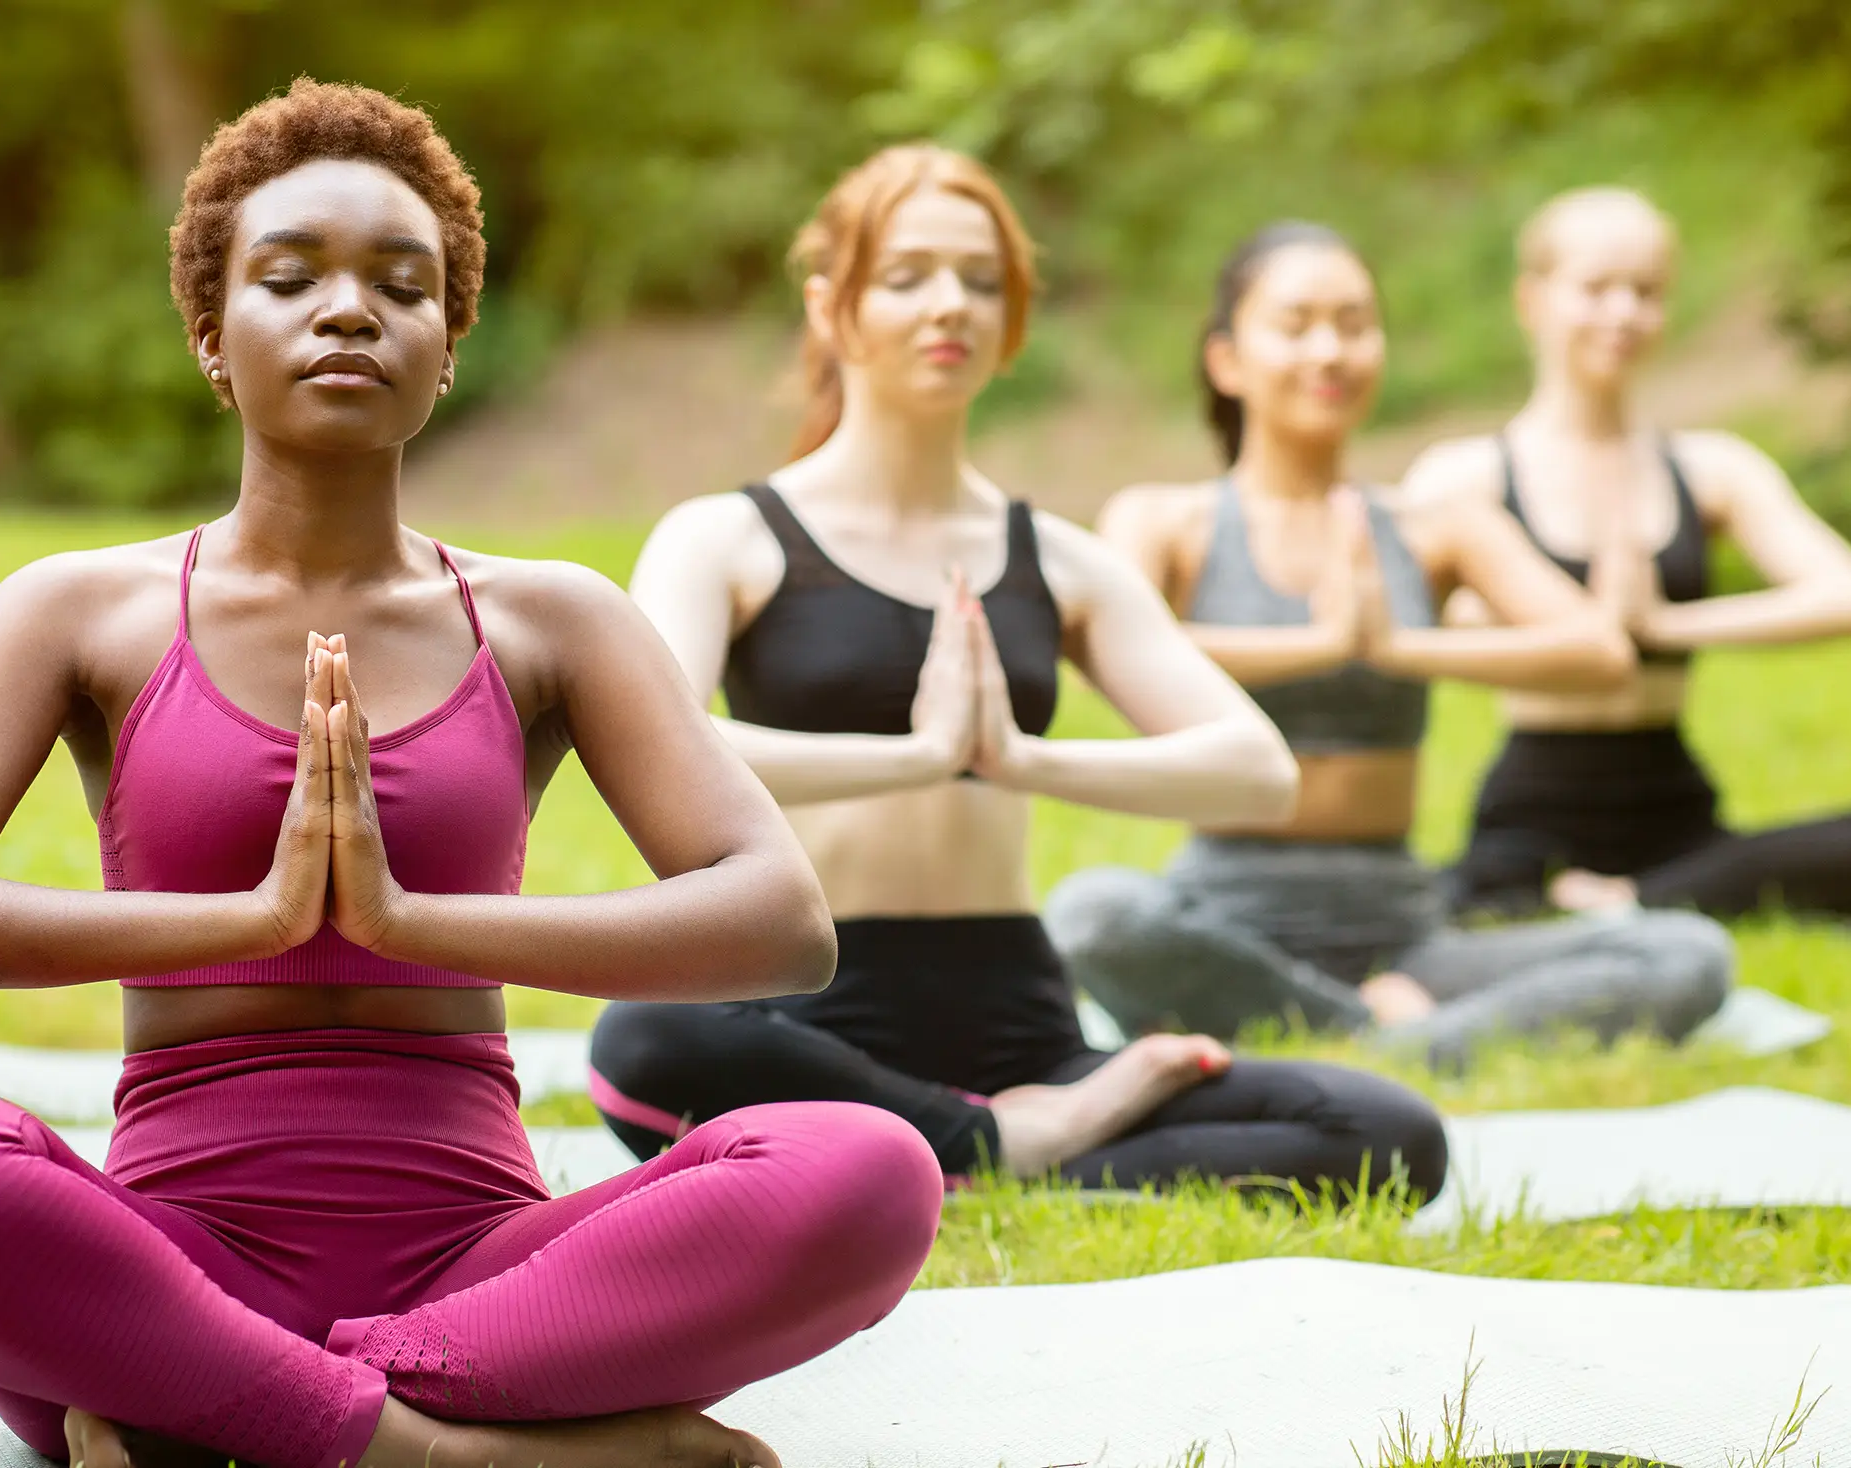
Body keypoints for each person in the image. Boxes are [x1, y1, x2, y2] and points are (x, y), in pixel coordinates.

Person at [0, 82, 944, 1468]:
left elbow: (777, 920)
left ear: (447, 346)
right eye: (291, 280)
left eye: (403, 286)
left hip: (480, 1280)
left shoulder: (549, 620)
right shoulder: (80, 610)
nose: (350, 311)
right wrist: (254, 921)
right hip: (170, 1263)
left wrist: (407, 925)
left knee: (871, 1172)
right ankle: (450, 1452)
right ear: (214, 336)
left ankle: (229, 1416)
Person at [590, 147, 1448, 1202]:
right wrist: (920, 757)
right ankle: (997, 1148)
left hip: (1014, 1019)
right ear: (832, 306)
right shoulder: (725, 537)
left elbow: (1252, 770)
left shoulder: (1058, 557)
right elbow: (652, 746)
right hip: (793, 1006)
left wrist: (1020, 758)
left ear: (1013, 320)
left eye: (981, 279)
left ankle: (967, 1152)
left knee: (1386, 1129)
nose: (950, 302)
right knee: (646, 1037)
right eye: (907, 276)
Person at [1043, 222, 1735, 1072]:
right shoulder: (1164, 521)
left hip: (1405, 928)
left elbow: (1599, 651)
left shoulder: (1433, 525)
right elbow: (1110, 656)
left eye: (1355, 323)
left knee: (1686, 954)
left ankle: (1361, 1040)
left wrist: (1402, 645)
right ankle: (1374, 1033)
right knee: (1092, 913)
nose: (1330, 349)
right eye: (1296, 325)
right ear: (1227, 360)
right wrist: (1324, 643)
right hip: (1221, 914)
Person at [1414, 187, 1851, 922]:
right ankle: (1613, 901)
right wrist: (1547, 632)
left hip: (1674, 809)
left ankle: (1630, 900)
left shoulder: (1711, 468)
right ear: (1533, 300)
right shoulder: (1464, 477)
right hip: (1533, 806)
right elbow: (1394, 633)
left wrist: (1662, 627)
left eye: (1645, 292)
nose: (1622, 314)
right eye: (1595, 288)